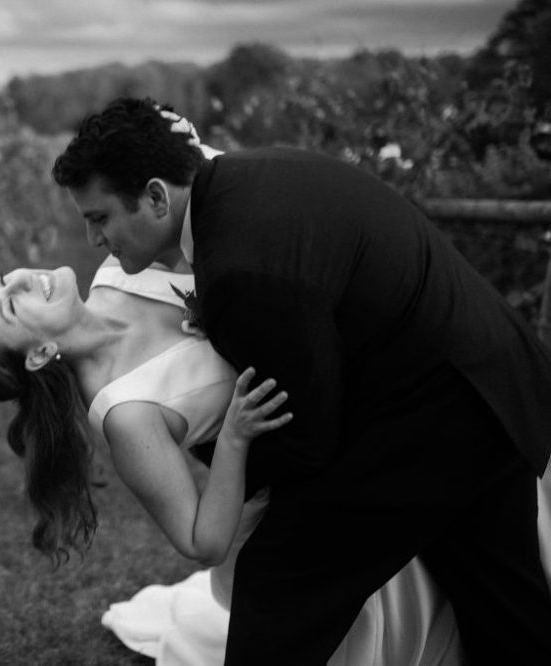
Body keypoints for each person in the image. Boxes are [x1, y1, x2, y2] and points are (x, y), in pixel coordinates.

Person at [50, 97, 551, 664]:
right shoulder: (254, 175)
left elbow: (306, 434)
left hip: (436, 420)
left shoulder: (236, 269)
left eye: (100, 218)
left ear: (157, 197)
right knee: (505, 608)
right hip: (492, 381)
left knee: (277, 581)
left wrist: (232, 460)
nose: (94, 238)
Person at [0, 256, 551, 664]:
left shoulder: (122, 263)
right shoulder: (125, 412)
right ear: (39, 354)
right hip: (315, 490)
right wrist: (234, 439)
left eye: (1, 280)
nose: (19, 280)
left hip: (370, 418)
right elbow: (202, 540)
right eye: (9, 306)